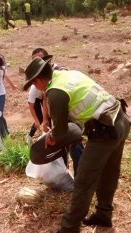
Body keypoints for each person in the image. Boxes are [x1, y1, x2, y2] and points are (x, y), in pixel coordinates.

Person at [23, 57, 131, 232]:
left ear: (37, 80)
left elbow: (59, 131)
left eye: (32, 85)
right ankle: (104, 214)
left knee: (83, 181)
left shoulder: (55, 91)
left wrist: (52, 138)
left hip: (104, 131)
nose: (34, 88)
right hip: (120, 120)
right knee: (109, 173)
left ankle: (69, 227)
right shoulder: (70, 75)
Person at [28, 47, 83, 176]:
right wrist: (46, 118)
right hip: (57, 114)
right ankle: (65, 175)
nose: (38, 64)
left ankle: (79, 177)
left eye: (41, 60)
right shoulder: (41, 79)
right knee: (59, 145)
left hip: (68, 113)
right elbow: (45, 98)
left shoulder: (60, 72)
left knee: (75, 145)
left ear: (47, 61)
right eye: (35, 61)